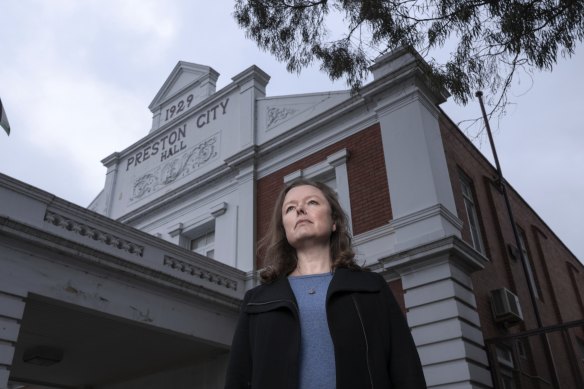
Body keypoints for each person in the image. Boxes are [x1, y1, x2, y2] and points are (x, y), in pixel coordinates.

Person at [224, 179, 427, 389]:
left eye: (311, 202)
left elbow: (406, 371)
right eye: (290, 208)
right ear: (284, 229)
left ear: (334, 222)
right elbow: (238, 379)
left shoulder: (372, 287)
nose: (300, 209)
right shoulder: (256, 302)